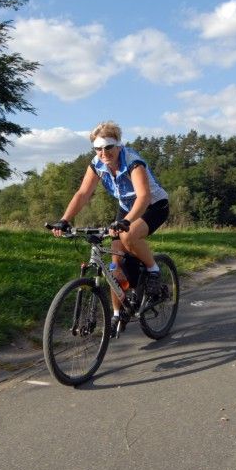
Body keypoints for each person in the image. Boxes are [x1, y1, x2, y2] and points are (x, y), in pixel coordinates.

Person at [49, 121, 170, 336]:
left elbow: (144, 197)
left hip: (153, 206)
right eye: (98, 148)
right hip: (127, 207)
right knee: (116, 263)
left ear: (118, 145)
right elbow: (83, 194)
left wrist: (126, 222)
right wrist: (65, 220)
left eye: (108, 147)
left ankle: (153, 270)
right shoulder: (97, 164)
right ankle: (117, 312)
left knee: (130, 235)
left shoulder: (133, 162)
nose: (104, 153)